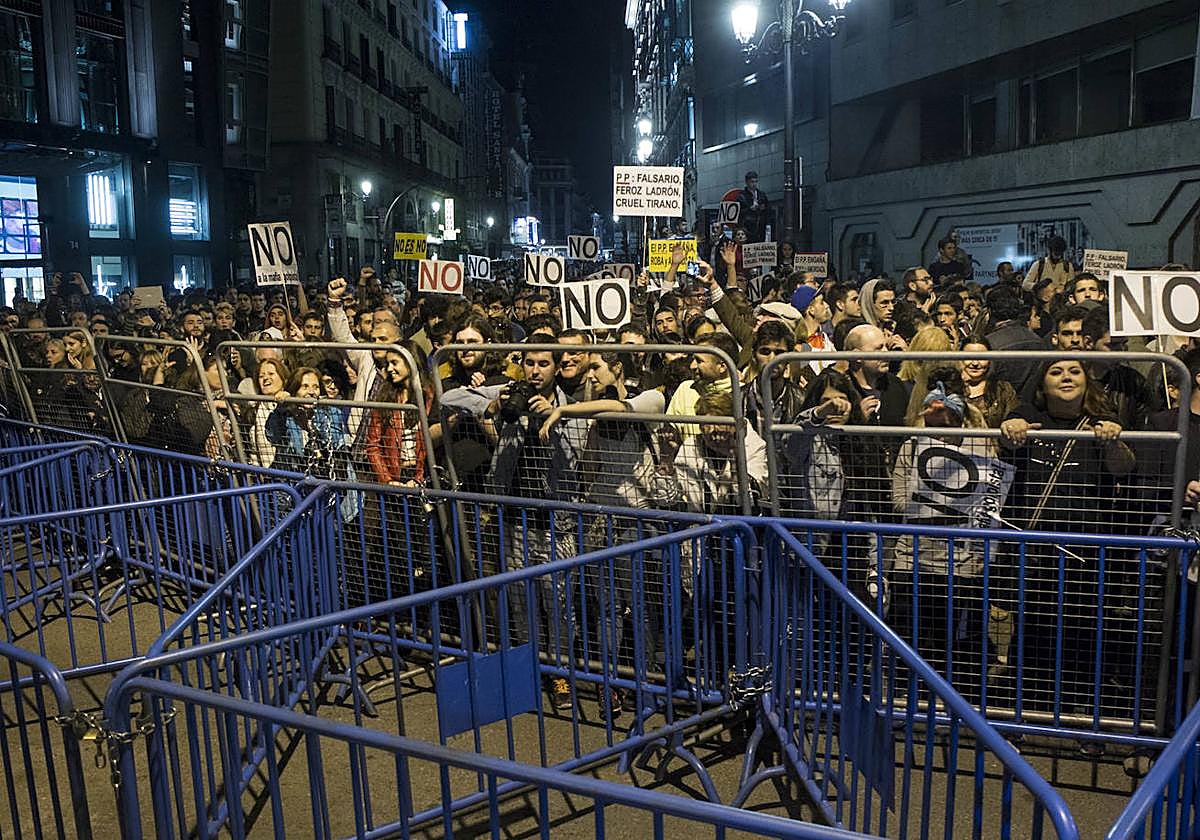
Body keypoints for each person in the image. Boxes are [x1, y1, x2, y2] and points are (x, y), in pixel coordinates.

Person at [998, 358, 1135, 711]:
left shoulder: (1106, 422)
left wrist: (1112, 443)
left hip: (1086, 550)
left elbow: (1124, 469)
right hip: (1035, 548)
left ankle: (1077, 709)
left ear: (1086, 381)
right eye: (1056, 372)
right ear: (1042, 385)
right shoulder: (1026, 415)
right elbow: (1005, 454)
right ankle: (1026, 710)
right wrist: (1009, 429)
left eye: (1074, 371)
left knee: (1083, 631)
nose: (1066, 378)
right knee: (1031, 630)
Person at [960, 337, 1019, 428]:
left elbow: (1014, 418)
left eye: (981, 358)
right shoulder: (951, 387)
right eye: (969, 357)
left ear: (989, 360)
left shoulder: (1002, 389)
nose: (975, 363)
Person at [736, 171, 770, 242]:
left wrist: (763, 208)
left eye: (756, 182)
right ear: (747, 182)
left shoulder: (762, 195)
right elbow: (738, 213)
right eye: (752, 182)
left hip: (761, 227)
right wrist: (749, 209)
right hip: (747, 228)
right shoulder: (742, 196)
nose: (754, 184)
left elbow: (768, 209)